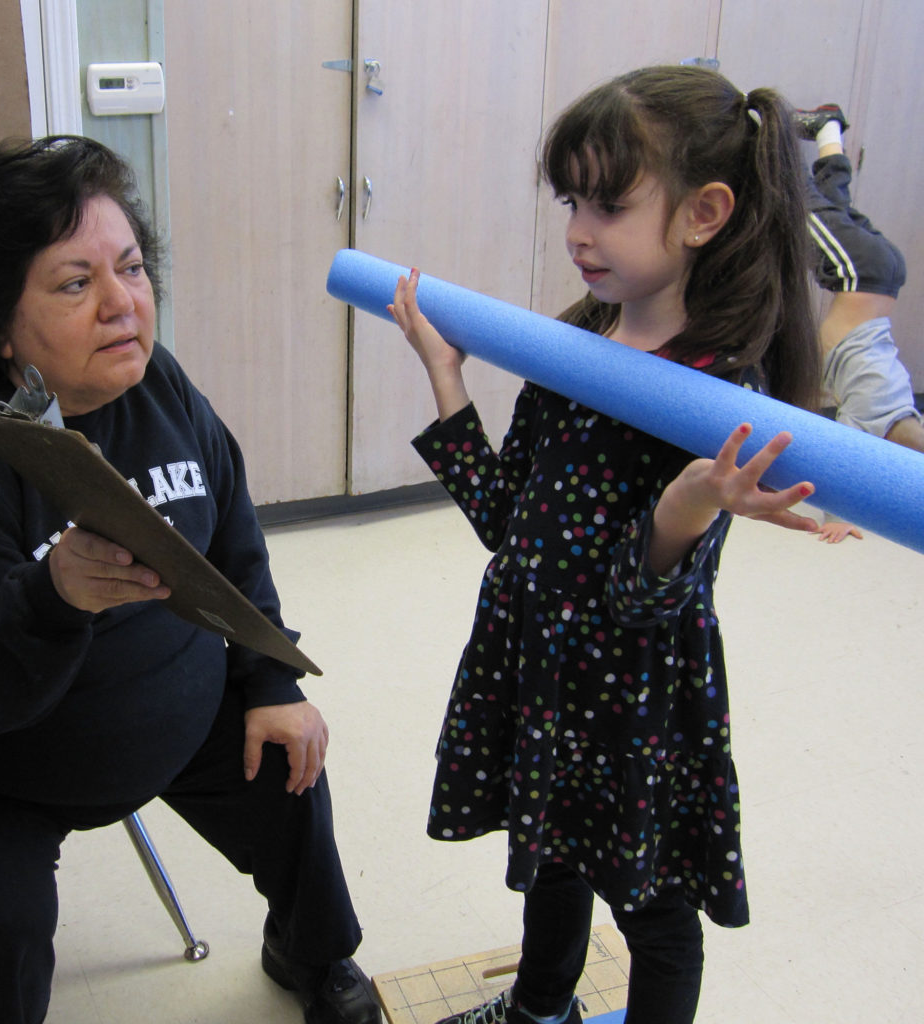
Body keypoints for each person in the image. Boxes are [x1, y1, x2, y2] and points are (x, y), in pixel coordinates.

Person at [0, 136, 381, 1024]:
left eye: (130, 268)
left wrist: (271, 678)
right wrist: (53, 596)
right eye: (76, 284)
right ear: (0, 323)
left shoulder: (155, 382)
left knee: (291, 764)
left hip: (176, 717)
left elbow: (229, 527)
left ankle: (313, 953)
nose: (123, 304)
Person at [387, 66, 822, 1024]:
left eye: (610, 204)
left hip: (634, 696)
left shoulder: (721, 394)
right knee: (550, 859)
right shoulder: (577, 338)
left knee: (653, 903)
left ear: (704, 213)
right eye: (571, 199)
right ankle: (543, 1008)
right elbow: (508, 521)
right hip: (539, 660)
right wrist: (445, 375)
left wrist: (690, 502)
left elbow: (652, 601)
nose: (580, 230)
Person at [793, 102, 923, 543]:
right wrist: (836, 518)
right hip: (861, 276)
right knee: (798, 209)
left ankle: (828, 129)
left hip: (879, 277)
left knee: (833, 205)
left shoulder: (903, 406)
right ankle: (764, 132)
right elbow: (841, 462)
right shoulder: (872, 415)